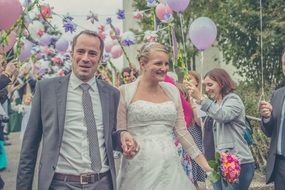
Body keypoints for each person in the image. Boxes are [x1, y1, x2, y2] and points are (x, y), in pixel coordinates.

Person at [16, 30, 138, 190]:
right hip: (60, 183)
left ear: (100, 58)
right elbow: (29, 147)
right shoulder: (46, 89)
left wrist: (122, 139)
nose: (86, 58)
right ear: (72, 53)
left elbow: (110, 137)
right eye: (80, 51)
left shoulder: (112, 94)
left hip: (102, 183)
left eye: (92, 53)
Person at [116, 42, 212, 190]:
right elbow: (121, 131)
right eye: (158, 63)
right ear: (143, 64)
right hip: (138, 166)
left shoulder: (172, 91)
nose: (164, 68)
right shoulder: (124, 92)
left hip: (170, 166)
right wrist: (125, 140)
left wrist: (206, 166)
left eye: (166, 63)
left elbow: (182, 132)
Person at [188, 68, 255, 190]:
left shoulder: (233, 100)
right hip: (217, 164)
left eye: (210, 85)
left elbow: (223, 115)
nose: (207, 89)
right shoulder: (215, 102)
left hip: (236, 163)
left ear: (222, 83)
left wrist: (203, 100)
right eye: (205, 85)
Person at [259, 49, 285, 190]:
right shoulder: (277, 95)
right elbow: (269, 131)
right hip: (280, 164)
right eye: (284, 64)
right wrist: (267, 117)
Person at [184, 71, 207, 189]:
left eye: (190, 78)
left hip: (195, 132)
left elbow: (200, 122)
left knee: (194, 160)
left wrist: (193, 105)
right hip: (184, 133)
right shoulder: (183, 96)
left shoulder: (202, 98)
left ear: (197, 82)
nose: (187, 80)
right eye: (185, 78)